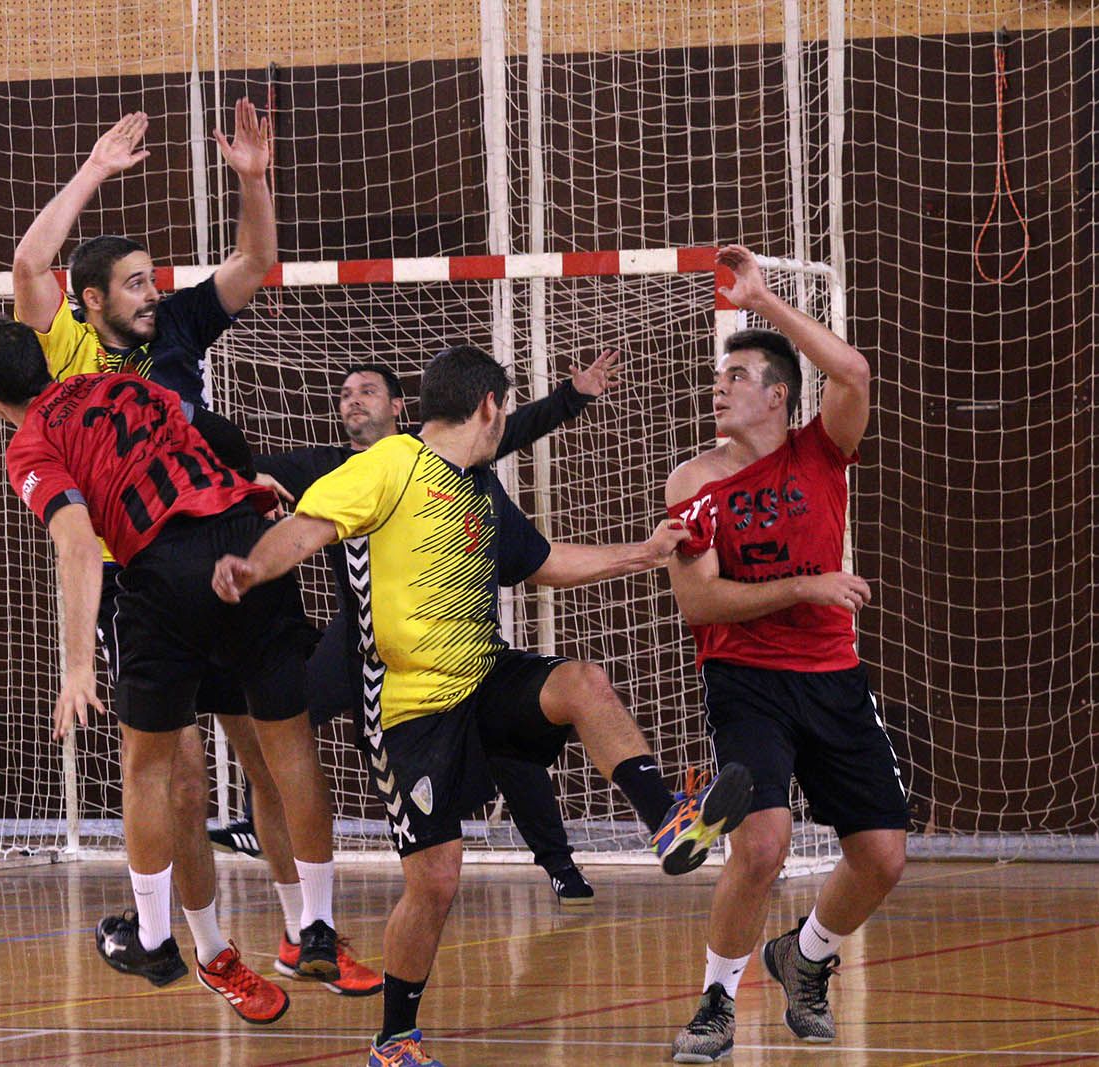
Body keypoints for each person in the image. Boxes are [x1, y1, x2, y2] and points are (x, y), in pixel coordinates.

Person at [213, 345, 754, 1067]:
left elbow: (544, 562)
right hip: (409, 708)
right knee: (434, 879)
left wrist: (644, 552)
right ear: (491, 406)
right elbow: (308, 528)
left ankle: (668, 821)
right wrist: (254, 566)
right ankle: (394, 1039)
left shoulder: (478, 485)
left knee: (582, 683)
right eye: (507, 407)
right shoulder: (388, 464)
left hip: (483, 674)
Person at [8, 103, 374, 1000]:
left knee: (265, 750)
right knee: (172, 775)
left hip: (220, 552)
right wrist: (93, 168)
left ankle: (305, 932)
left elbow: (253, 264)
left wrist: (252, 179)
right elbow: (27, 262)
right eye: (135, 282)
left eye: (152, 279)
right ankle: (210, 949)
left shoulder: (176, 330)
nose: (152, 292)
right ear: (93, 300)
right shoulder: (64, 352)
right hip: (142, 575)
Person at [0, 314, 345, 1026]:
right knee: (269, 749)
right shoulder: (128, 385)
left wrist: (76, 668)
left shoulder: (31, 441)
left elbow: (77, 546)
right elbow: (205, 437)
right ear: (45, 356)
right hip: (247, 544)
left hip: (161, 571)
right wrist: (249, 480)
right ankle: (276, 933)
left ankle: (158, 937)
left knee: (154, 767)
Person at [211, 354, 627, 907]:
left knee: (508, 746)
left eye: (367, 390)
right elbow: (251, 477)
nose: (354, 399)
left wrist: (571, 397)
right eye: (345, 393)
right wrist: (242, 478)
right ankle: (258, 819)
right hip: (361, 637)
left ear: (401, 406)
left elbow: (508, 427)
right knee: (287, 712)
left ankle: (558, 862)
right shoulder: (326, 465)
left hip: (445, 640)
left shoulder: (435, 453)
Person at [665, 245, 908, 1063]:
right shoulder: (692, 481)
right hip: (746, 679)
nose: (719, 387)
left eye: (737, 378)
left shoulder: (820, 447)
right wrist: (803, 585)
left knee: (882, 856)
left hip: (833, 676)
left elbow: (855, 369)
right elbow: (698, 602)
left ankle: (803, 958)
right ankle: (716, 1001)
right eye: (718, 377)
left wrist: (762, 301)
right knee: (762, 843)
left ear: (776, 394)